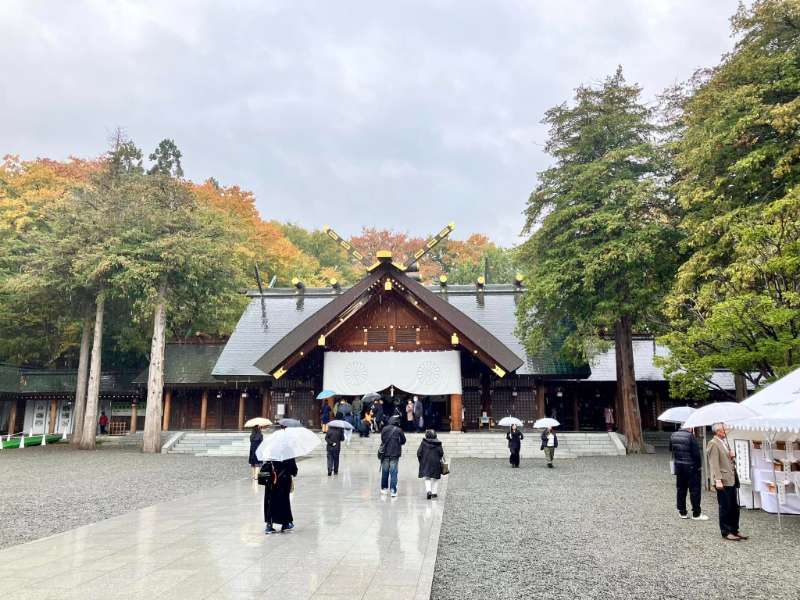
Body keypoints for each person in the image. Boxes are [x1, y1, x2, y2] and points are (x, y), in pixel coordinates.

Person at [707, 422, 747, 541]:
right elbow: (714, 464)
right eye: (726, 429)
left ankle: (735, 529)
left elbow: (726, 460)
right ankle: (726, 531)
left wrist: (732, 456)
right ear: (719, 431)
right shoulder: (713, 443)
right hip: (723, 480)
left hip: (732, 478)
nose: (728, 430)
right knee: (725, 506)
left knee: (734, 506)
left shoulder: (724, 442)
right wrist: (717, 480)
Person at [669, 426, 708, 521]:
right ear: (690, 428)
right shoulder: (691, 436)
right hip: (692, 467)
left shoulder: (673, 435)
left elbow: (671, 449)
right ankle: (696, 513)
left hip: (679, 466)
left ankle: (682, 512)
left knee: (681, 489)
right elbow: (696, 454)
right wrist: (699, 466)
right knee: (694, 491)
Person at [263, 458, 298, 534]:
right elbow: (294, 471)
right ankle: (285, 523)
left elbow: (266, 465)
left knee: (270, 501)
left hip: (271, 481)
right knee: (284, 502)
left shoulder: (270, 451)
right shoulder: (288, 452)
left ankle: (269, 525)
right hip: (284, 481)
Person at [380, 416, 406, 497]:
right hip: (395, 453)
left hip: (385, 453)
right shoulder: (399, 430)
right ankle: (393, 490)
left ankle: (384, 488)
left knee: (385, 471)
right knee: (394, 472)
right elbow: (403, 440)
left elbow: (382, 439)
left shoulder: (384, 429)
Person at [417, 430, 444, 499]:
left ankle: (429, 491)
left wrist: (421, 461)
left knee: (427, 477)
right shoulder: (438, 443)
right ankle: (434, 493)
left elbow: (419, 453)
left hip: (426, 462)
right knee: (436, 477)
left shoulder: (423, 443)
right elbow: (441, 453)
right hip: (436, 462)